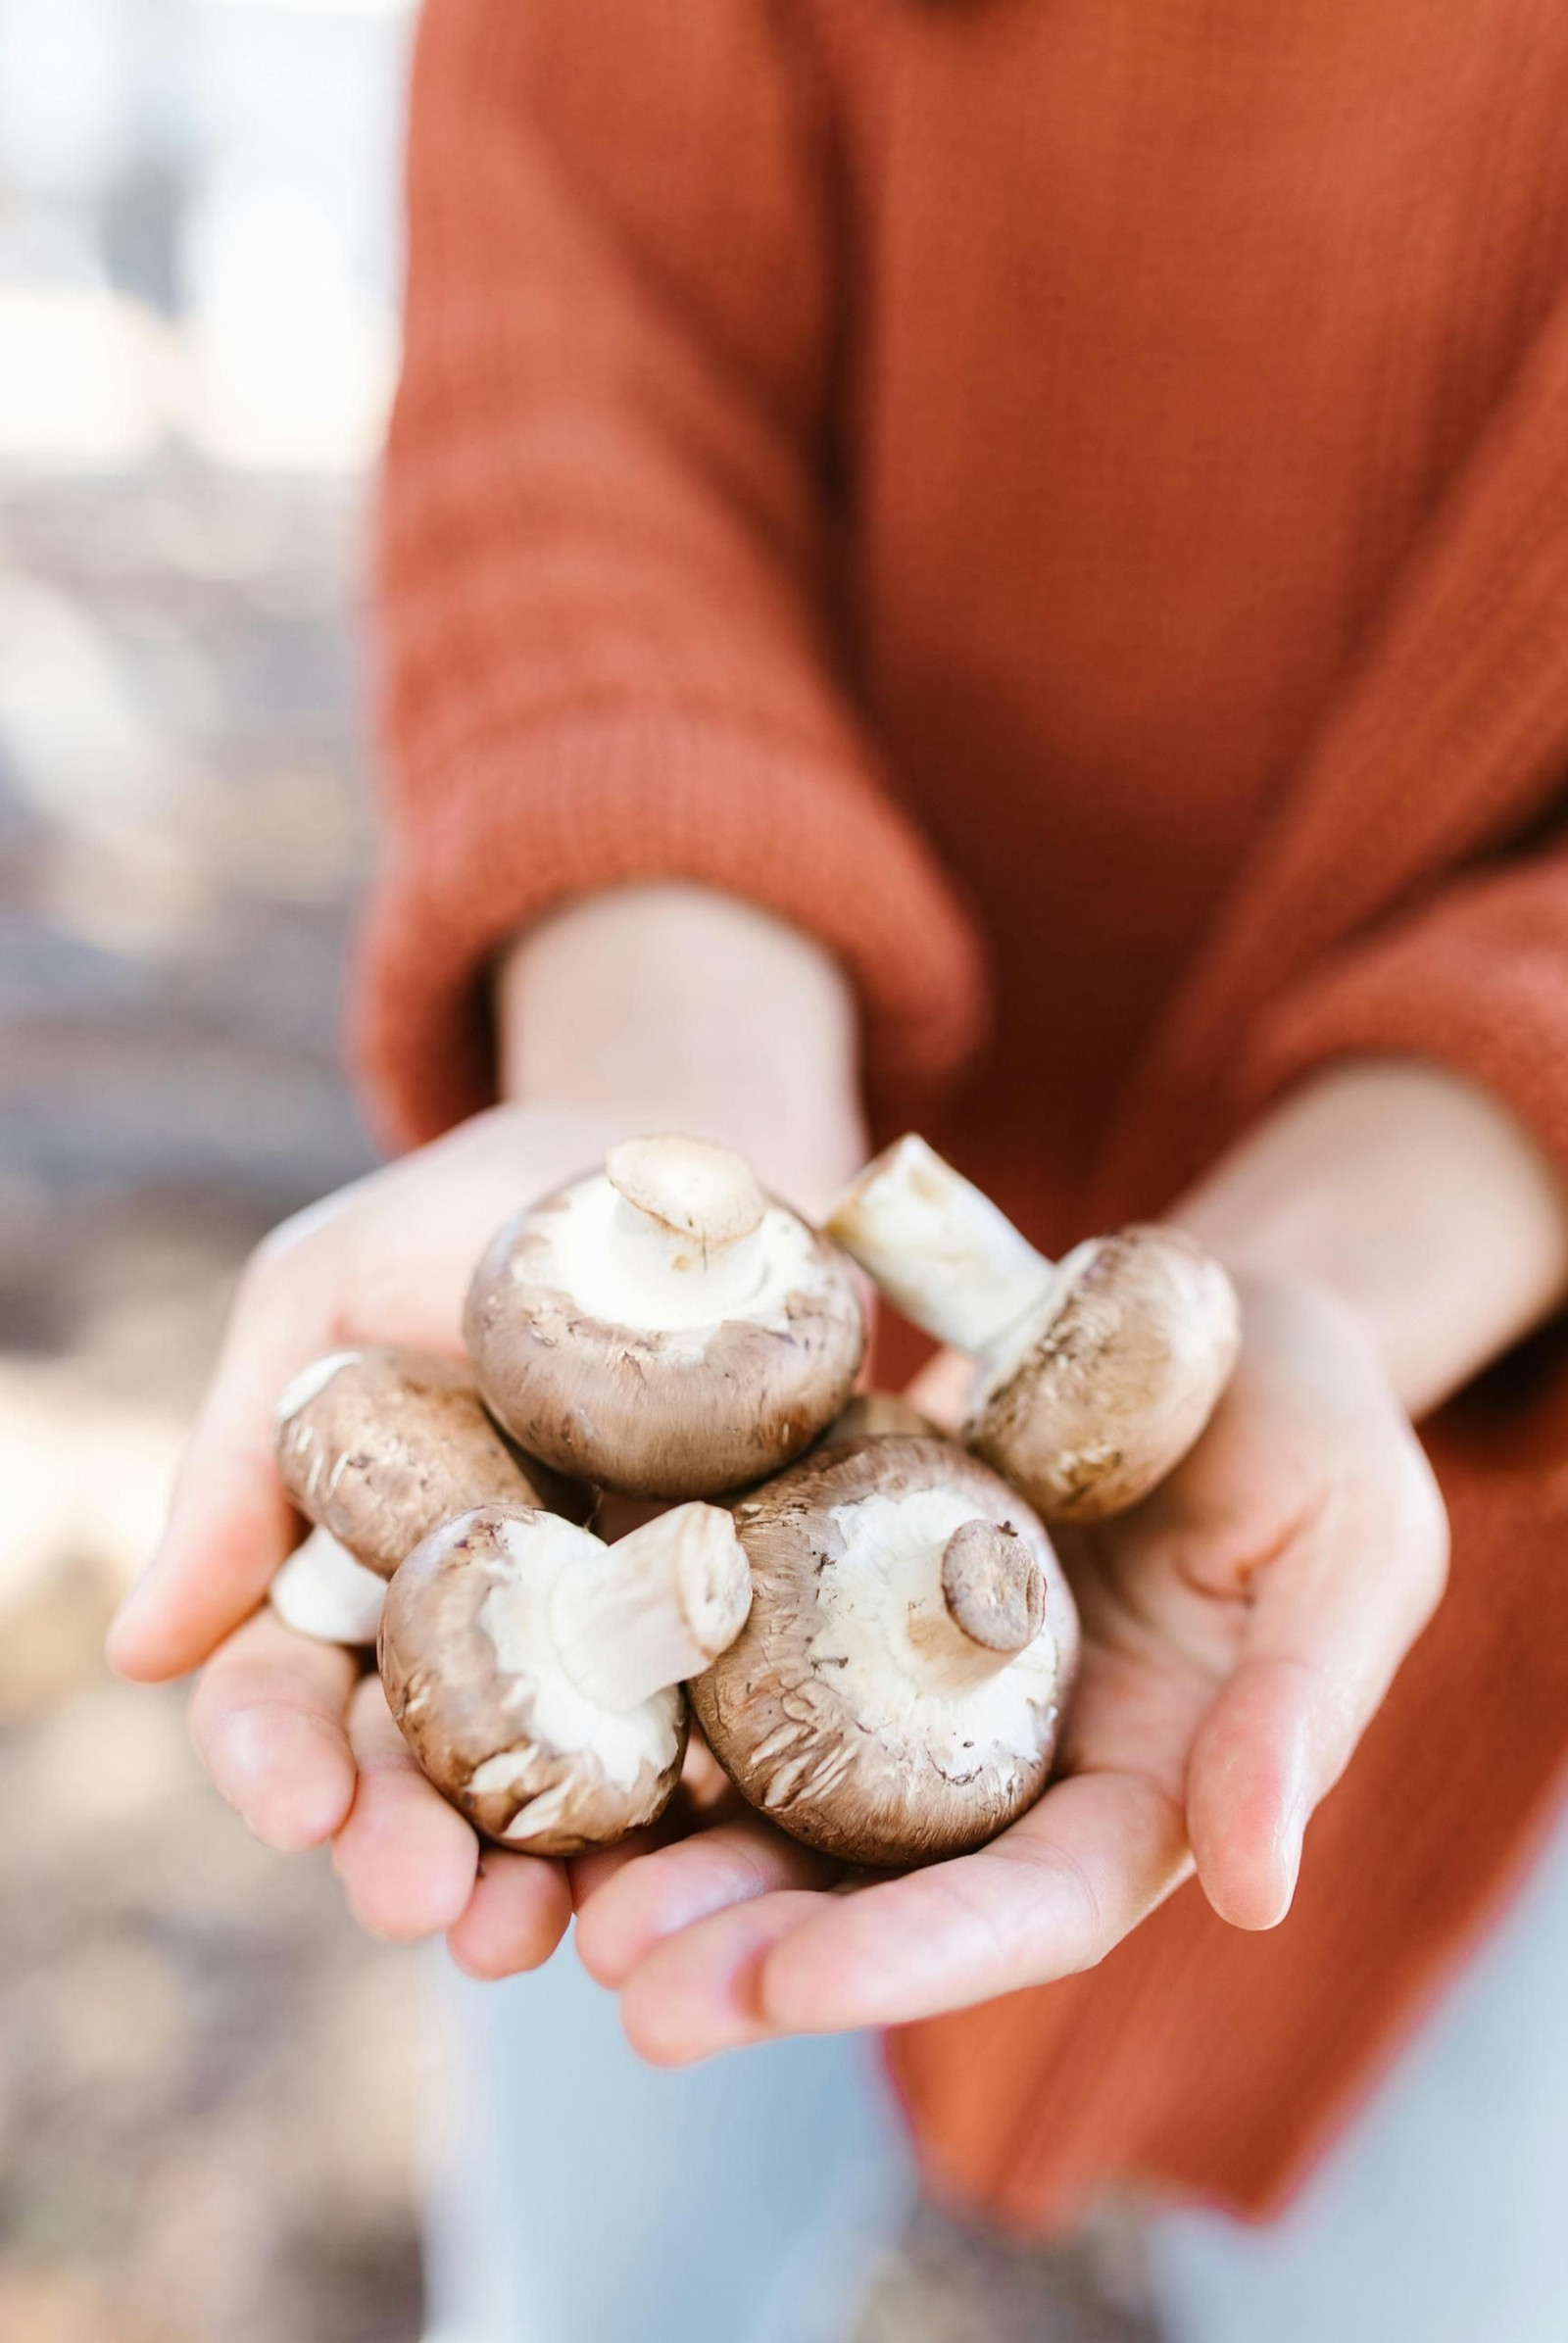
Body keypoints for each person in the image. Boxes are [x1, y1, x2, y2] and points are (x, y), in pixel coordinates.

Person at [109, 2, 1568, 2336]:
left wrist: (1346, 1264)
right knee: (611, 2246)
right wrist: (665, 1104)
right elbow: (578, 384)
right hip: (632, 1456)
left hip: (1475, 1489)